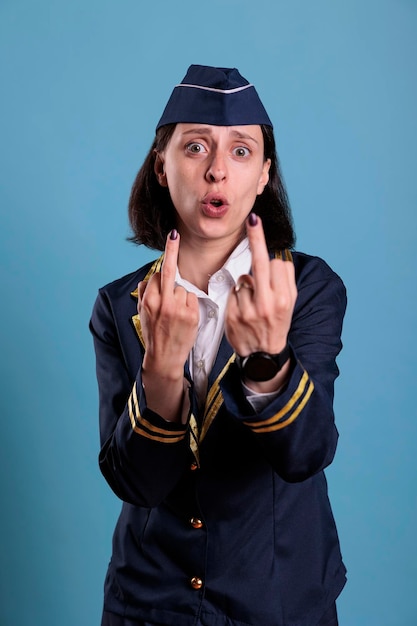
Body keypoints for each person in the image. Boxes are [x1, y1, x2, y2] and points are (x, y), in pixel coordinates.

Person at [90, 64, 347, 626]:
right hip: (148, 604)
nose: (215, 172)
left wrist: (268, 364)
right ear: (161, 166)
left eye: (240, 152)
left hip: (278, 601)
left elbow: (305, 454)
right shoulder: (120, 304)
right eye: (196, 147)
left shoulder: (307, 288)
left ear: (263, 176)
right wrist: (160, 369)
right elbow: (135, 482)